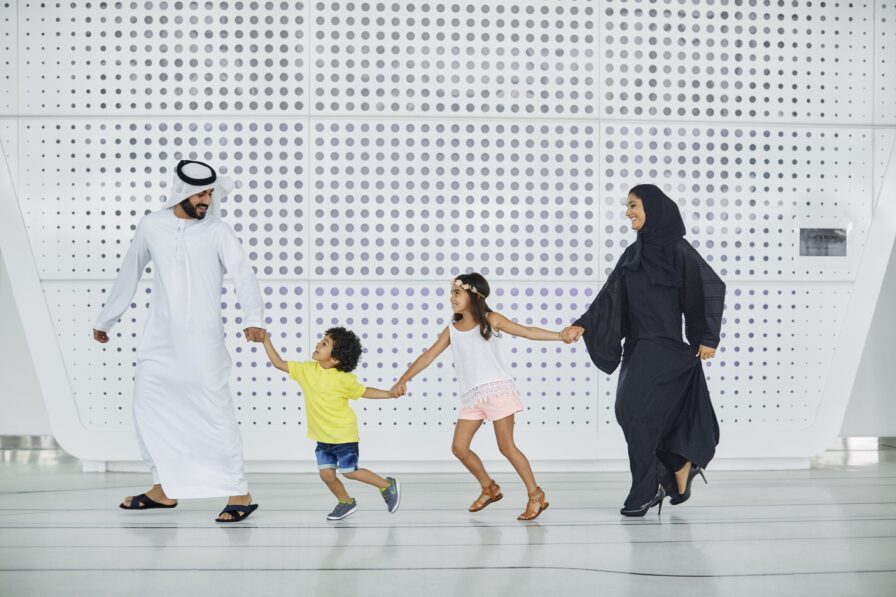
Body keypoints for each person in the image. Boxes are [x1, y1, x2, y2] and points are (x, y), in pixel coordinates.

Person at [93, 159, 264, 523]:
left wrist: (253, 318)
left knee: (216, 414)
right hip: (160, 342)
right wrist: (107, 318)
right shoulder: (152, 225)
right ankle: (163, 489)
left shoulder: (218, 230)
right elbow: (130, 271)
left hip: (204, 343)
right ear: (182, 192)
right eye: (201, 193)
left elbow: (243, 275)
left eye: (209, 193)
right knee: (147, 409)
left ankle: (240, 492)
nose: (207, 200)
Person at [562, 184, 725, 517]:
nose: (627, 213)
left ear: (654, 209)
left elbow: (706, 287)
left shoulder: (679, 250)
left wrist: (706, 337)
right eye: (627, 206)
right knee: (631, 414)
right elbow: (610, 297)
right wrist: (584, 324)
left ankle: (648, 488)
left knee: (635, 414)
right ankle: (676, 468)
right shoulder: (633, 254)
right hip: (637, 349)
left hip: (665, 349)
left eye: (633, 205)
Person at [393, 273, 571, 521]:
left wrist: (559, 335)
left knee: (506, 446)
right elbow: (427, 357)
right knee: (459, 447)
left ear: (474, 295)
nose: (451, 298)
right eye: (451, 293)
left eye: (457, 293)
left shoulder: (491, 319)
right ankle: (489, 487)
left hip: (497, 391)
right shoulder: (451, 330)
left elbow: (527, 332)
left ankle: (536, 495)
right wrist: (403, 379)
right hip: (473, 397)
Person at [261, 327, 402, 521]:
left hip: (344, 436)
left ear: (334, 359)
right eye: (322, 340)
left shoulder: (344, 379)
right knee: (327, 475)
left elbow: (364, 392)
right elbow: (278, 363)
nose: (318, 343)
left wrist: (388, 394)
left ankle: (387, 485)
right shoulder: (306, 370)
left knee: (349, 472)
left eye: (324, 343)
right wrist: (265, 339)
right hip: (322, 437)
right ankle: (346, 502)